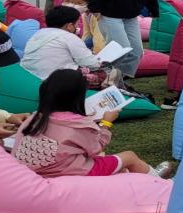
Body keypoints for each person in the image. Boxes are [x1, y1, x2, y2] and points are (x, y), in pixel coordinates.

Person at [11, 69, 173, 178]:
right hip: (67, 172)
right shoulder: (79, 125)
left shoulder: (34, 118)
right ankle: (159, 182)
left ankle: (142, 180)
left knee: (120, 168)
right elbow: (96, 148)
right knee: (129, 156)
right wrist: (106, 123)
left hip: (33, 172)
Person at [21, 6, 119, 88]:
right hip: (54, 82)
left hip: (30, 78)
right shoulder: (68, 37)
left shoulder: (37, 34)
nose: (77, 27)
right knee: (112, 72)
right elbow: (91, 63)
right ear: (69, 26)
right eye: (76, 24)